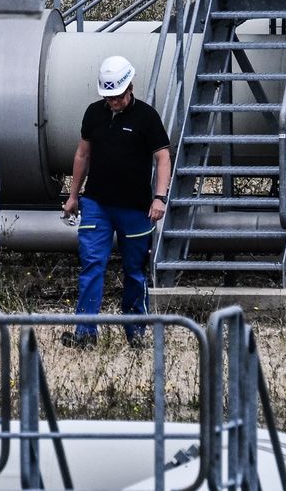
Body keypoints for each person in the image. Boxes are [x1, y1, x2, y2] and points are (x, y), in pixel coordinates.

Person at [60, 55, 171, 349]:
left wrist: (159, 198)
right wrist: (73, 196)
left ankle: (136, 334)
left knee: (135, 270)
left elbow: (162, 158)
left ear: (130, 87)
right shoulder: (93, 114)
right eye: (109, 97)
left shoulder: (147, 117)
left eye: (118, 96)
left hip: (135, 208)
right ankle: (85, 334)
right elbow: (82, 155)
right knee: (91, 264)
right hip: (97, 203)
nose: (114, 102)